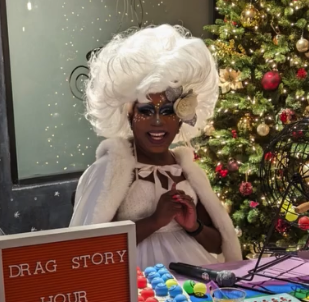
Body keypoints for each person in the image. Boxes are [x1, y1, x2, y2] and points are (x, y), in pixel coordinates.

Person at [70, 25, 242, 268]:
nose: (158, 122)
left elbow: (218, 245)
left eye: (169, 111)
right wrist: (154, 221)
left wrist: (193, 226)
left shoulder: (188, 171)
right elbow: (91, 250)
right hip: (136, 281)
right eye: (146, 111)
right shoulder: (111, 169)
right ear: (129, 115)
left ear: (181, 117)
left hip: (193, 279)